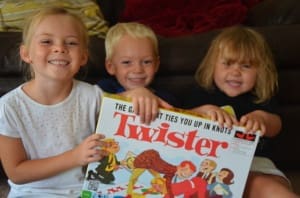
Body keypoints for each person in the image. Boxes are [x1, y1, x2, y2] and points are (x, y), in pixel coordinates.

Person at [0, 7, 170, 197]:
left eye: (71, 43)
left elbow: (130, 104)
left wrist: (139, 92)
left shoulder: (92, 96)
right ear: (26, 54)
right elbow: (16, 173)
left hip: (84, 191)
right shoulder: (9, 107)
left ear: (83, 57)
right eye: (47, 41)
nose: (60, 48)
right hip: (31, 193)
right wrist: (75, 157)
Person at [183, 26, 299, 198]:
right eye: (228, 63)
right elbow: (179, 122)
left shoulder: (260, 98)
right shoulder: (201, 93)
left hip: (256, 165)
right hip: (211, 166)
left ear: (260, 71)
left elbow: (276, 125)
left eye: (246, 66)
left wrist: (262, 119)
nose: (236, 72)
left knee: (267, 187)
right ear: (212, 65)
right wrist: (202, 112)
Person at [97, 22, 180, 107]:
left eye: (147, 62)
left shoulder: (166, 99)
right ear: (110, 66)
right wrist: (128, 95)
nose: (138, 70)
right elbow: (94, 107)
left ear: (156, 65)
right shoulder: (103, 89)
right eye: (127, 62)